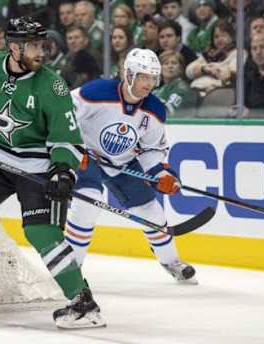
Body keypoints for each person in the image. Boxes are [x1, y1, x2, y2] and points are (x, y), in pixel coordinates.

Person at [0, 16, 105, 329]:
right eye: (34, 45)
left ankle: (82, 302)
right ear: (13, 48)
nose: (41, 51)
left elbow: (67, 136)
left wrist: (63, 170)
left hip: (38, 166)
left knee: (41, 231)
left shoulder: (52, 84)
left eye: (43, 44)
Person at [65, 48, 198, 284]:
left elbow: (151, 150)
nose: (149, 84)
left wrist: (162, 174)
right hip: (88, 156)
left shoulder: (155, 109)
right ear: (128, 74)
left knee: (151, 210)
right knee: (87, 204)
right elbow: (63, 115)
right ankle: (70, 272)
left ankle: (171, 261)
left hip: (123, 162)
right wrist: (72, 148)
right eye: (144, 77)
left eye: (153, 78)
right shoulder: (95, 92)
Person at [153, 51, 198, 117]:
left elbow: (167, 113)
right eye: (166, 63)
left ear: (181, 69)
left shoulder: (183, 89)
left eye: (174, 63)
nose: (170, 66)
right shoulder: (156, 91)